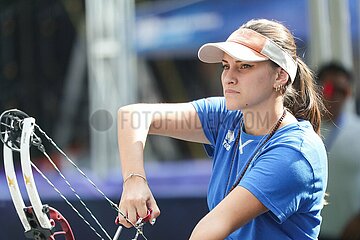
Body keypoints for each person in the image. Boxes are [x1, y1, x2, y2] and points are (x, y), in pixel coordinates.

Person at [116, 19, 328, 239]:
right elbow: (132, 117)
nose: (229, 77)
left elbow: (210, 229)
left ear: (280, 75)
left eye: (245, 65)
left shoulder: (296, 152)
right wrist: (134, 181)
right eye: (226, 66)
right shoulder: (227, 117)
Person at [317, 63, 360, 239]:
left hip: (348, 232)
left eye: (343, 90)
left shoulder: (358, 131)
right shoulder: (303, 130)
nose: (335, 95)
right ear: (317, 90)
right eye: (329, 88)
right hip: (309, 230)